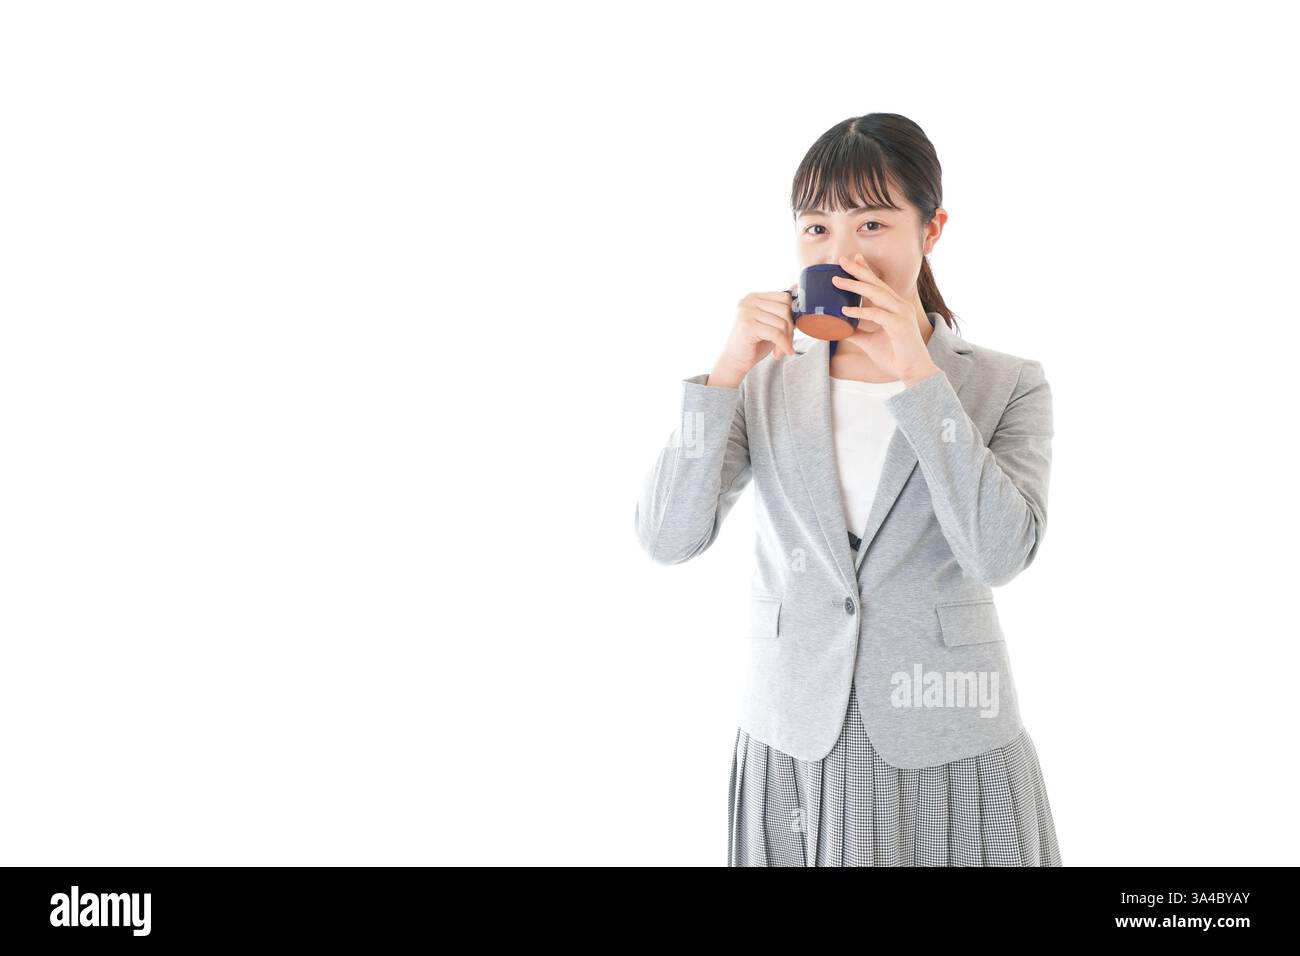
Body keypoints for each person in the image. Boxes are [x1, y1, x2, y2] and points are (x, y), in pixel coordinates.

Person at [634, 113, 1062, 866]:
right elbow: (667, 538)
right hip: (795, 740)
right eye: (816, 228)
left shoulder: (1005, 383)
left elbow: (998, 554)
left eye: (871, 222)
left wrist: (919, 378)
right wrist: (723, 377)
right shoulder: (765, 382)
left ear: (930, 232)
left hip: (951, 743)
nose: (841, 252)